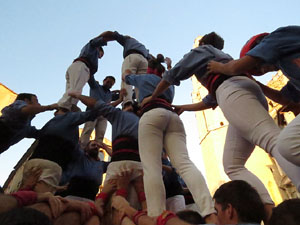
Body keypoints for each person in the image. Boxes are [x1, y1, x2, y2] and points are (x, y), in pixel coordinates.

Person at [141, 31, 300, 222]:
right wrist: (184, 107)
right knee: (232, 164)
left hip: (233, 92)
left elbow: (174, 73)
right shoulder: (220, 58)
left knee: (272, 141)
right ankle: (267, 209)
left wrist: (154, 96)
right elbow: (210, 100)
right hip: (241, 91)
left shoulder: (202, 51)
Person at [123, 68, 217, 223]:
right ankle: (209, 212)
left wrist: (127, 73)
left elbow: (126, 78)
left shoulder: (143, 78)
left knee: (151, 168)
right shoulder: (170, 84)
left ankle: (156, 216)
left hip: (151, 114)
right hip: (172, 116)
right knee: (185, 164)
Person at [207, 25, 300, 168]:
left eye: (258, 66)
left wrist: (219, 67)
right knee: (287, 144)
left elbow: (234, 67)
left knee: (288, 143)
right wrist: (256, 84)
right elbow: (284, 98)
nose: (263, 70)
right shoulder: (291, 72)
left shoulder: (277, 37)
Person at [68, 93, 145, 213]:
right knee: (135, 208)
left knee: (112, 209)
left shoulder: (119, 114)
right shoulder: (145, 122)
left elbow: (96, 104)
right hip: (140, 167)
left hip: (120, 165)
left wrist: (78, 95)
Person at [57, 33, 113, 111]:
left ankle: (68, 107)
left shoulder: (89, 49)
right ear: (99, 49)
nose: (99, 57)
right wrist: (111, 37)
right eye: (100, 55)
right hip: (82, 67)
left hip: (77, 67)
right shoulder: (93, 46)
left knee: (71, 91)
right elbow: (96, 41)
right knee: (75, 91)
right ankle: (63, 109)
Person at [100, 31, 150, 102]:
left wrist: (98, 39)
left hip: (132, 56)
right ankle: (142, 103)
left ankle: (127, 102)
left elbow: (112, 34)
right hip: (145, 61)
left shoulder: (128, 40)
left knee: (126, 78)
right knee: (141, 83)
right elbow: (152, 58)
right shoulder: (144, 48)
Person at [80, 75, 124, 149]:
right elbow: (90, 78)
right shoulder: (95, 86)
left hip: (103, 116)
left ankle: (95, 151)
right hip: (92, 112)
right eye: (108, 82)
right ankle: (82, 149)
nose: (109, 84)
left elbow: (124, 96)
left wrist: (120, 92)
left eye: (111, 84)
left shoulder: (110, 94)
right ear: (104, 80)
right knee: (88, 130)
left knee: (101, 135)